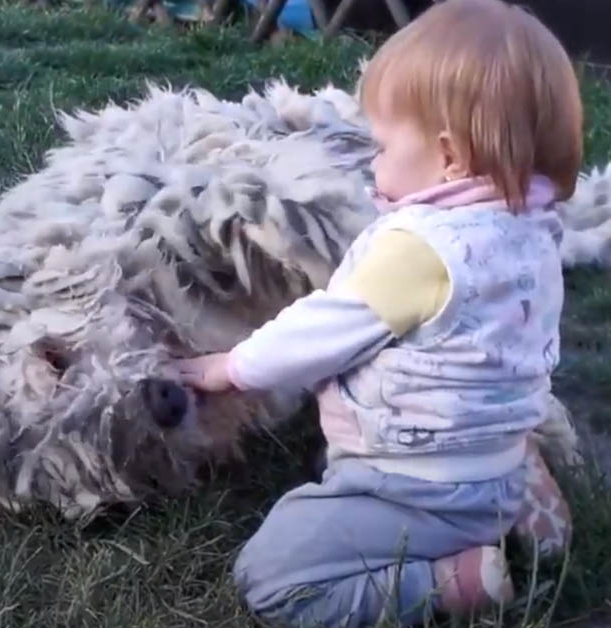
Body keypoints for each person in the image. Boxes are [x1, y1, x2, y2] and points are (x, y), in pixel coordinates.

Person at [174, 0, 582, 625]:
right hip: (489, 463)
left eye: (383, 144)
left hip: (417, 483)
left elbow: (324, 329)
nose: (371, 161)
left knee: (270, 577)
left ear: (449, 157)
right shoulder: (531, 233)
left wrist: (230, 367)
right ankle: (517, 498)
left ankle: (455, 581)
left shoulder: (423, 248)